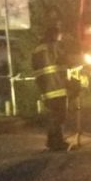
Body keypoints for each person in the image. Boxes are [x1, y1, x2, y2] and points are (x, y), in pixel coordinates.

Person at [31, 23, 69, 151]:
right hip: (57, 85)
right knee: (59, 116)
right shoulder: (54, 47)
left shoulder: (37, 49)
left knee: (53, 115)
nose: (61, 38)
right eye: (60, 35)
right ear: (55, 35)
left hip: (45, 87)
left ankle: (52, 142)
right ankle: (56, 142)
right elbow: (64, 60)